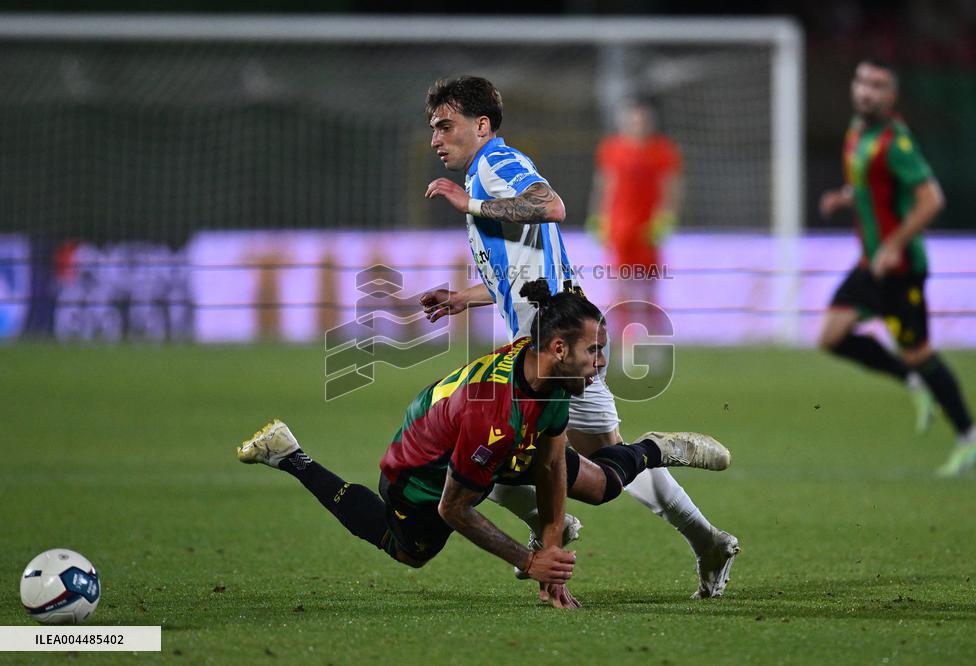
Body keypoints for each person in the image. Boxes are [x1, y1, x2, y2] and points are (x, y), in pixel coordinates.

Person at [420, 76, 738, 598]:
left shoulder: (497, 165)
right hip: (548, 341)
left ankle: (560, 529)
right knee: (597, 463)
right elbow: (524, 274)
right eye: (433, 127)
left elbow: (551, 205)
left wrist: (469, 206)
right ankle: (704, 539)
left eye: (445, 125)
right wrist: (464, 297)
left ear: (480, 126)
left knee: (495, 454)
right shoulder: (484, 174)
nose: (436, 138)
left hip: (558, 349)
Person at [238, 281, 731, 609]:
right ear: (559, 349)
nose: (603, 362)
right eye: (595, 350)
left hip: (495, 450)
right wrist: (528, 559)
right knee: (409, 552)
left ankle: (653, 449)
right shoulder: (494, 413)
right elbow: (455, 509)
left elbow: (553, 468)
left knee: (600, 486)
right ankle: (292, 457)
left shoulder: (551, 379)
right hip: (423, 472)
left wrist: (552, 564)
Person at [818, 58, 976, 476]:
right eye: (861, 81)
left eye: (877, 85)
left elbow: (932, 199)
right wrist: (846, 197)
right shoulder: (857, 133)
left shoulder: (896, 142)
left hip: (899, 269)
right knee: (832, 335)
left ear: (891, 96)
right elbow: (870, 185)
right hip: (870, 263)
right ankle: (912, 381)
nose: (866, 91)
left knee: (919, 352)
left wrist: (893, 245)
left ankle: (972, 436)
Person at [588, 97, 684, 332]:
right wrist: (598, 216)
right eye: (633, 120)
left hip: (648, 229)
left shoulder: (663, 151)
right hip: (620, 228)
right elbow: (604, 184)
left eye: (642, 120)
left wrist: (667, 217)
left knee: (649, 287)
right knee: (618, 287)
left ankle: (653, 336)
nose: (637, 124)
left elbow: (672, 187)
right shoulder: (612, 149)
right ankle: (621, 337)